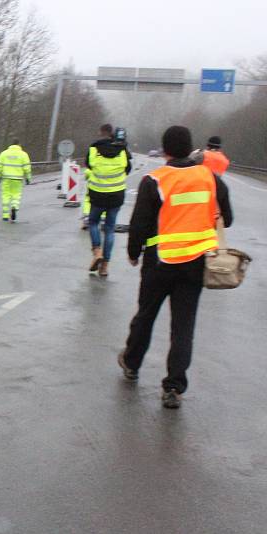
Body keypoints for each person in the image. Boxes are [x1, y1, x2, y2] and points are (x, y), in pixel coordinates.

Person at [118, 125, 232, 409]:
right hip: (195, 263)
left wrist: (134, 253)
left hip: (159, 261)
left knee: (146, 315)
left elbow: (140, 224)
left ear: (165, 150)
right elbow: (226, 218)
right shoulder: (209, 178)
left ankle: (131, 364)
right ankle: (173, 387)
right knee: (183, 326)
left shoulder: (154, 180)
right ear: (192, 147)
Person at [84, 124, 132, 277]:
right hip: (116, 196)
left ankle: (97, 251)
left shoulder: (94, 149)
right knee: (110, 229)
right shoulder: (122, 150)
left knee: (93, 222)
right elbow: (128, 168)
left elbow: (88, 165)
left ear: (100, 133)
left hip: (97, 194)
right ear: (112, 134)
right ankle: (104, 267)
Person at [0, 139, 31, 221]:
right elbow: (27, 168)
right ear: (19, 145)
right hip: (17, 179)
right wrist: (28, 178)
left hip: (6, 178)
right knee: (16, 195)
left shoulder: (4, 153)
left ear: (11, 144)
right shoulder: (23, 154)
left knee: (5, 195)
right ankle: (14, 207)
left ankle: (5, 215)